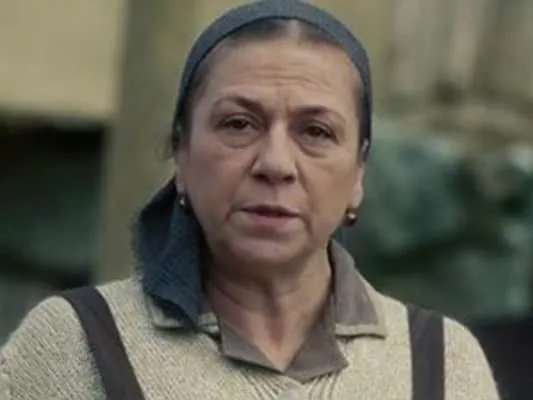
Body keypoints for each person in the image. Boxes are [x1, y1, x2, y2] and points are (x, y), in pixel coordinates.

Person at [0, 1, 500, 399]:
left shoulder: (441, 366)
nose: (275, 163)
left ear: (359, 172)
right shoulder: (75, 349)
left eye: (316, 131)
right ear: (181, 154)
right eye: (239, 124)